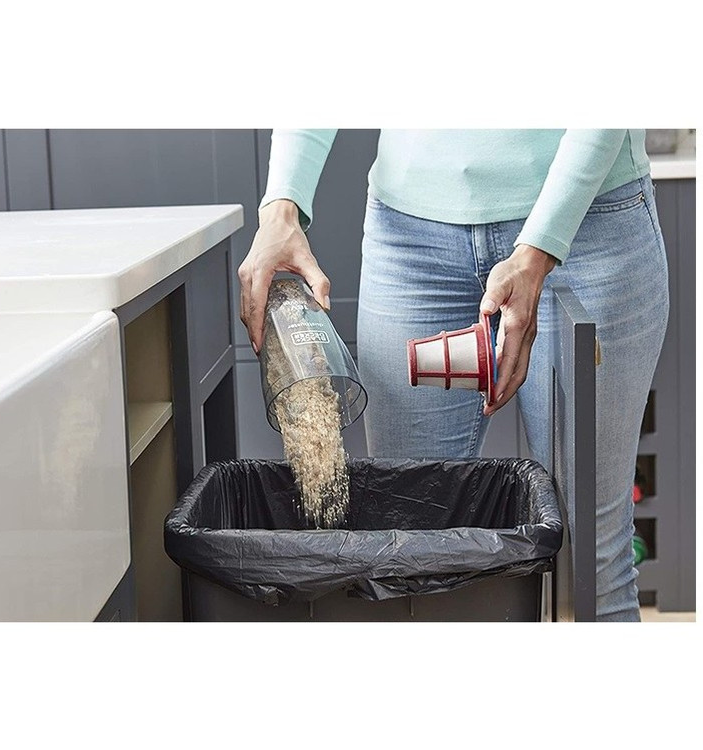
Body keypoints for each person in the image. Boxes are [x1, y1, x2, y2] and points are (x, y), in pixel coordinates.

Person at [238, 129, 669, 622]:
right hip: (412, 241)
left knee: (591, 564)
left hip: (586, 224)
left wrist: (539, 248)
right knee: (406, 556)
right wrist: (282, 206)